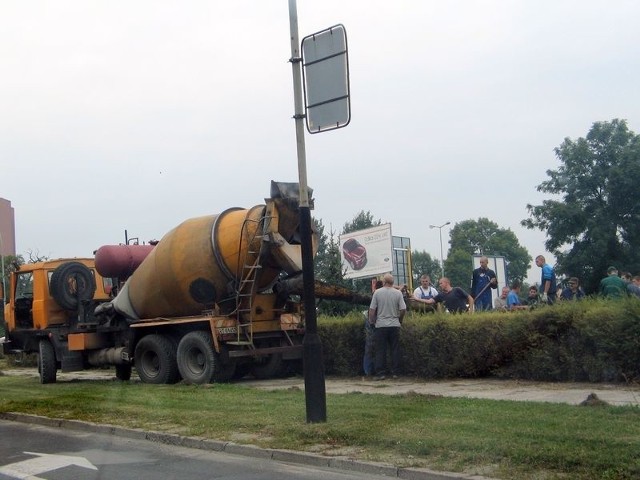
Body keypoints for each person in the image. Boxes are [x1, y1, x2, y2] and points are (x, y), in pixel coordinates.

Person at [368, 273, 406, 380]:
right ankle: (396, 372)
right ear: (393, 283)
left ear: (384, 282)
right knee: (395, 349)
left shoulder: (377, 293)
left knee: (380, 350)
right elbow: (403, 309)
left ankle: (381, 373)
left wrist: (372, 321)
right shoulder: (398, 293)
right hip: (394, 324)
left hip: (381, 325)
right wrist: (400, 320)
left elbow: (372, 310)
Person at [362, 280, 383, 376]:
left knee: (370, 348)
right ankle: (372, 369)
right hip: (375, 321)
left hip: (372, 321)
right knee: (377, 347)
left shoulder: (375, 294)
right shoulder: (378, 295)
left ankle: (368, 370)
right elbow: (372, 310)